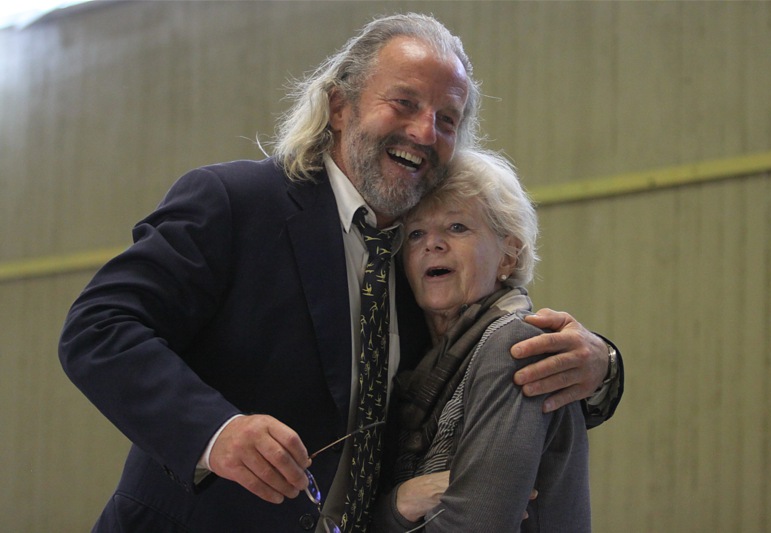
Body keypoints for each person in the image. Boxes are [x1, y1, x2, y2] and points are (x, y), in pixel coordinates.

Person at [58, 13, 622, 533]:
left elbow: (491, 360)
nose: (425, 132)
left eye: (446, 119)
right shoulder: (237, 201)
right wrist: (216, 431)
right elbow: (99, 325)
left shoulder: (422, 257)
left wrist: (602, 364)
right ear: (338, 107)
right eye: (404, 103)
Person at [374, 148, 591, 532]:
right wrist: (400, 502)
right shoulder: (422, 360)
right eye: (416, 233)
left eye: (457, 227)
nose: (432, 244)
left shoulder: (515, 346)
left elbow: (476, 523)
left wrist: (389, 513)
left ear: (509, 256)